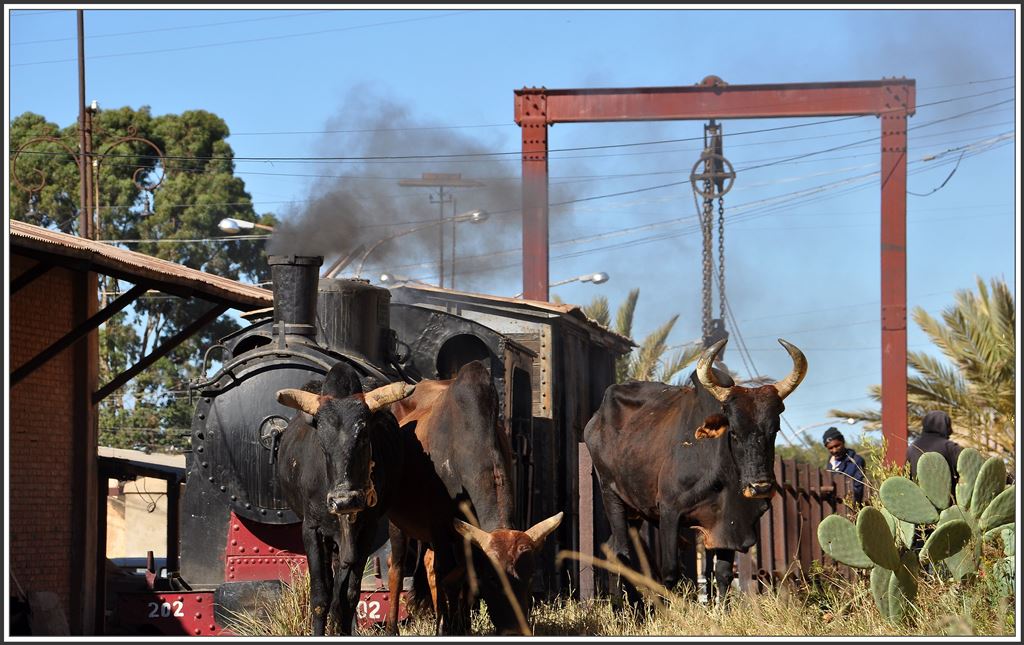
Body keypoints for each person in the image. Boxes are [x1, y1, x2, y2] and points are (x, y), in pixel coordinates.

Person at [908, 410, 963, 485]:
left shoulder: (912, 447)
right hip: (947, 496)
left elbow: (907, 475)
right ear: (945, 427)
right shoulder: (950, 447)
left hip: (917, 496)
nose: (951, 431)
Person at [823, 427, 867, 503]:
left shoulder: (856, 461)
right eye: (830, 448)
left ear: (843, 442)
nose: (835, 450)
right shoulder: (829, 463)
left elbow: (858, 487)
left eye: (837, 446)